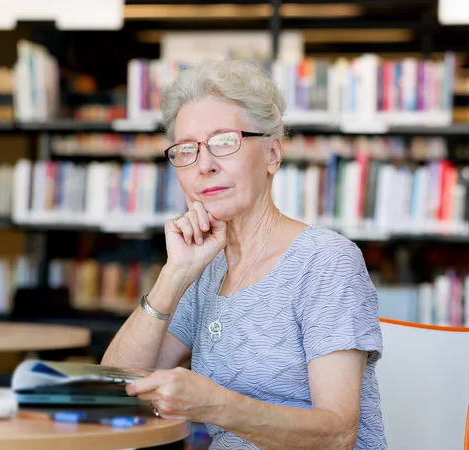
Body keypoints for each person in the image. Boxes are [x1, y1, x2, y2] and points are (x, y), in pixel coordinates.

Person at [101, 59, 386, 450]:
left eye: (224, 142)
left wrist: (217, 406)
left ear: (272, 154)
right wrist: (173, 275)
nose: (204, 165)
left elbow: (337, 435)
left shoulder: (326, 261)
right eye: (186, 150)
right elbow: (115, 388)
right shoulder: (204, 268)